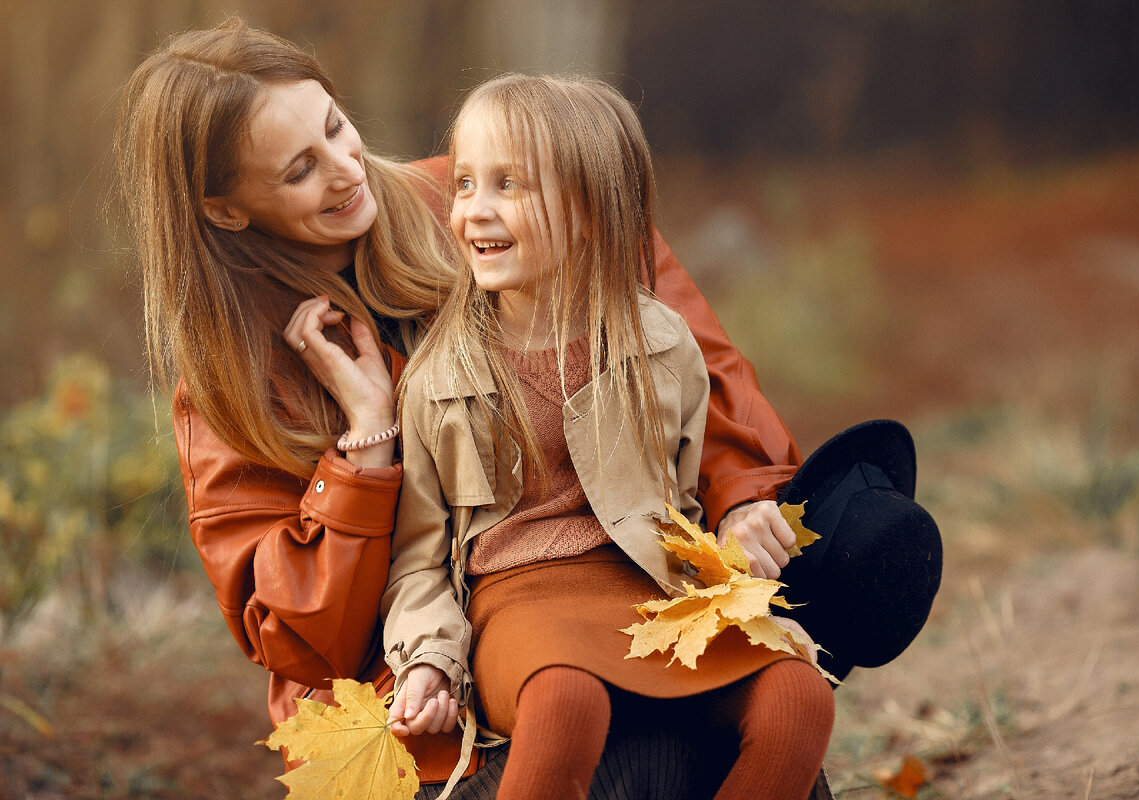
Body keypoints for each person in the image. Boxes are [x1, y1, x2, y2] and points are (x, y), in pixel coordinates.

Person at [115, 18, 845, 799]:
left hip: (627, 569)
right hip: (421, 666)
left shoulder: (468, 187)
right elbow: (303, 639)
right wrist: (366, 445)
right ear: (225, 210)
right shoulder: (230, 384)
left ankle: (841, 572)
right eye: (300, 170)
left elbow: (680, 358)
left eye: (336, 125)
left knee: (783, 705)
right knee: (595, 744)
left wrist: (742, 502)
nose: (346, 169)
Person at [380, 74, 835, 799]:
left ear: (591, 210)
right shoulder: (439, 377)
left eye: (509, 186)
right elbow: (418, 560)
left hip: (652, 588)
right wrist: (428, 660)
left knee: (798, 699)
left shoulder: (660, 344)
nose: (473, 211)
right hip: (518, 605)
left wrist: (738, 563)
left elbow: (683, 505)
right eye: (464, 184)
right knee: (565, 702)